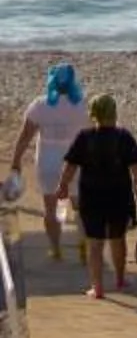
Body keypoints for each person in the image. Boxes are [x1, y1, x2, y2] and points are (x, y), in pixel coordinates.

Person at [55, 95, 137, 301]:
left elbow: (70, 165)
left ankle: (97, 288)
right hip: (118, 196)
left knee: (95, 244)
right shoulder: (123, 137)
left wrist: (62, 186)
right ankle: (120, 278)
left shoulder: (84, 137)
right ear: (114, 113)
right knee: (118, 239)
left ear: (94, 114)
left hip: (91, 197)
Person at [9, 62, 91, 261]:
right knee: (80, 206)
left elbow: (25, 135)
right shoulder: (81, 105)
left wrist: (16, 161)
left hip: (48, 162)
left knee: (50, 208)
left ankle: (55, 248)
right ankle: (83, 245)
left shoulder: (40, 105)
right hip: (76, 162)